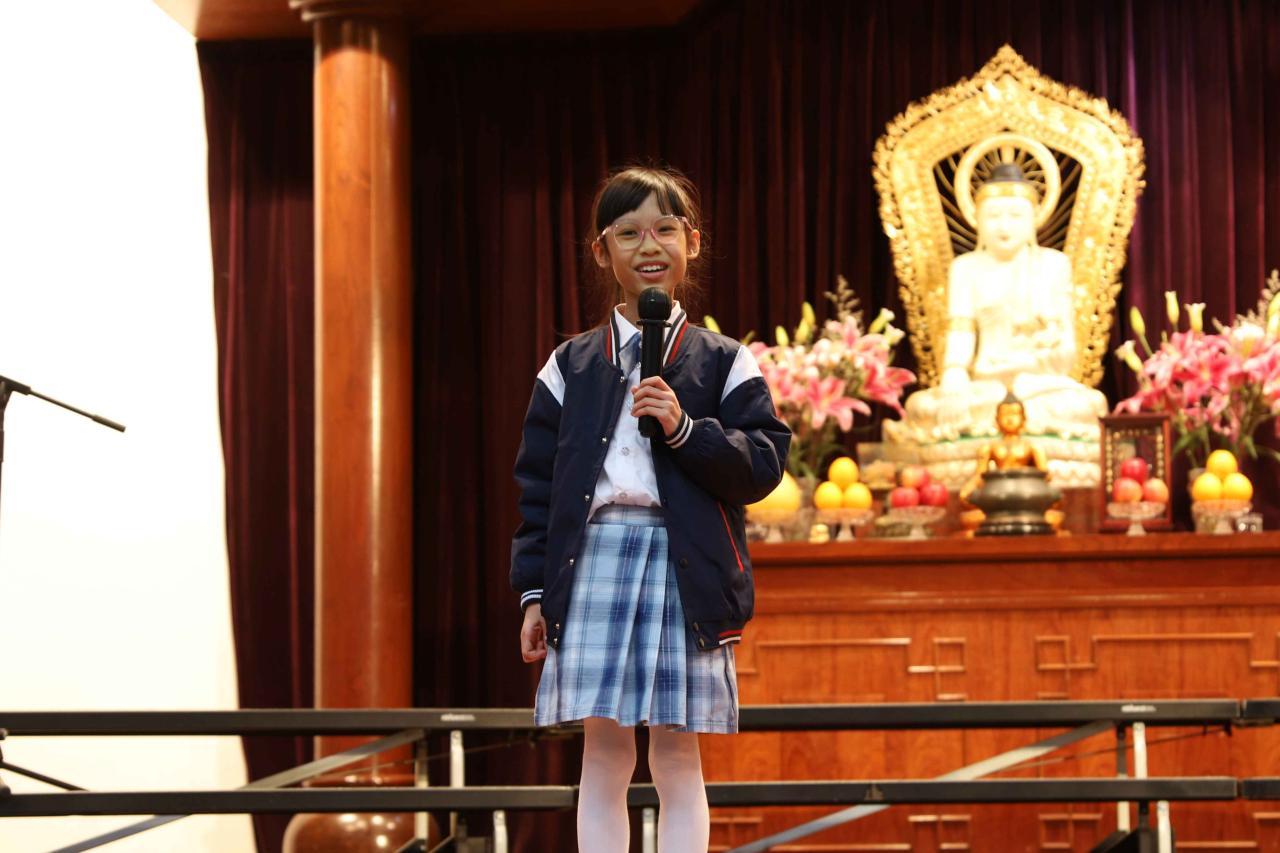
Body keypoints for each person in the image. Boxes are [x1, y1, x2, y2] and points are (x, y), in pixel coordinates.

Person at [510, 166, 790, 852]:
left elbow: (763, 464)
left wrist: (687, 429)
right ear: (601, 251)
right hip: (593, 561)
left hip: (682, 561)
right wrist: (535, 594)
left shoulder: (724, 361)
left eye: (665, 228)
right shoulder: (569, 365)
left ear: (691, 241)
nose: (649, 245)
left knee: (676, 754)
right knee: (603, 754)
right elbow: (538, 489)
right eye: (629, 232)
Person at [893, 163, 1108, 443]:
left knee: (1087, 405)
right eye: (993, 216)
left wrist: (1043, 349)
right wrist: (955, 376)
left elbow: (1067, 352)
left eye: (1016, 216)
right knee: (922, 407)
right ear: (978, 220)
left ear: (1033, 219)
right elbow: (961, 332)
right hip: (985, 386)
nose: (1004, 226)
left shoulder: (1054, 265)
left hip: (1037, 386)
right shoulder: (965, 268)